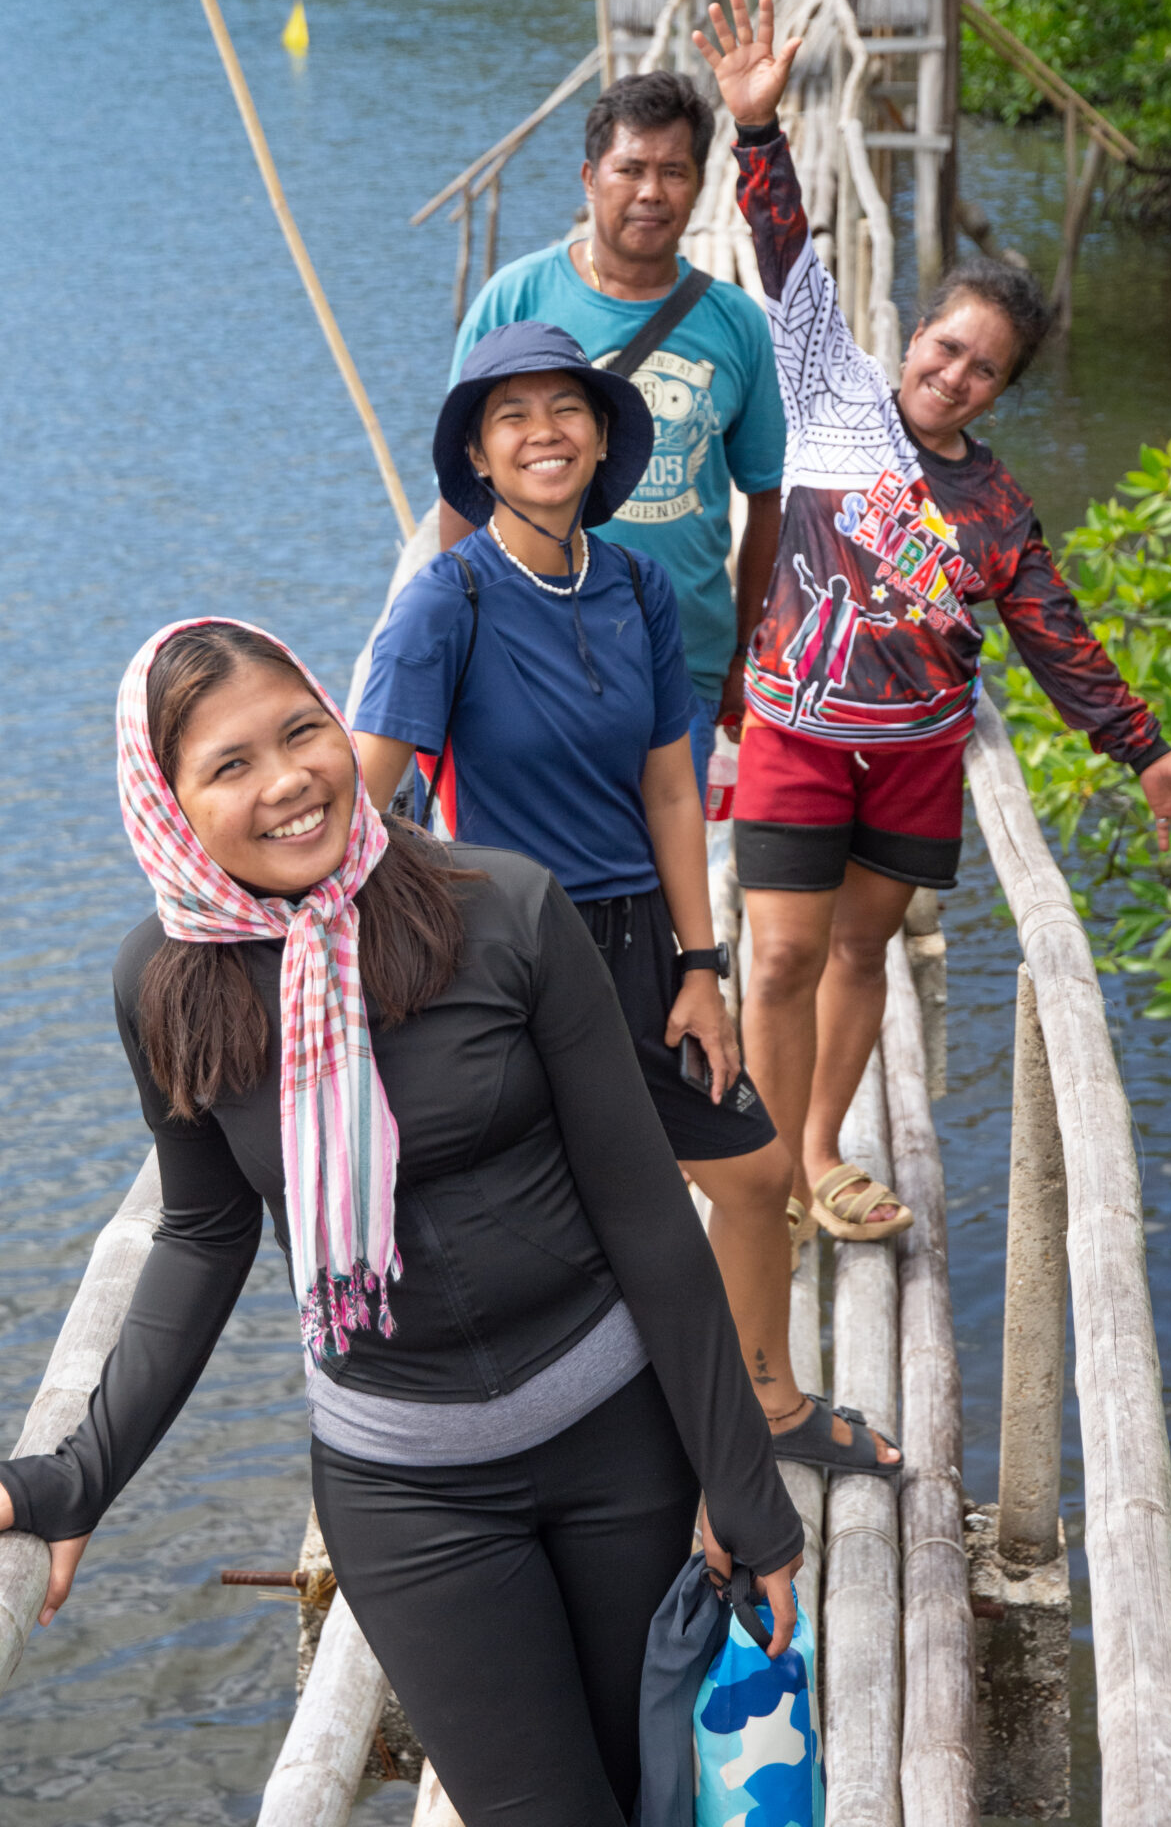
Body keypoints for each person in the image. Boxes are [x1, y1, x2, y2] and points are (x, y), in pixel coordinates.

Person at [0, 618, 805, 1827]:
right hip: (411, 1493)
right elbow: (201, 1234)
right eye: (229, 764)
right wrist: (76, 1474)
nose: (289, 779)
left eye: (304, 731)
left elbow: (646, 1209)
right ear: (166, 800)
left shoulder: (501, 905)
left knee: (658, 1782)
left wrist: (744, 1481)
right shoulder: (164, 982)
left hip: (620, 1444)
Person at [693, 0, 1171, 1242]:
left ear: (1003, 387)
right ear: (914, 333)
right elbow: (787, 254)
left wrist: (1146, 753)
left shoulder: (998, 504)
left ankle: (819, 1150)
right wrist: (759, 132)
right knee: (773, 956)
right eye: (943, 346)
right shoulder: (835, 396)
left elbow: (1059, 639)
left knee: (858, 956)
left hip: (918, 755)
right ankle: (764, 1164)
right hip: (800, 729)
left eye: (982, 367)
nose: (952, 373)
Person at [355, 321, 901, 1479]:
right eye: (511, 418)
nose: (542, 432)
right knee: (567, 1213)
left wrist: (703, 967)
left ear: (604, 440)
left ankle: (768, 1401)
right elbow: (361, 804)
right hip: (514, 953)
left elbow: (670, 784)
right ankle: (577, 1445)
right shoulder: (444, 601)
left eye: (566, 409)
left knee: (754, 1175)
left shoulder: (643, 588)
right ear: (483, 460)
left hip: (644, 938)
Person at [440, 69, 786, 791]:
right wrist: (463, 634)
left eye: (673, 171)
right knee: (533, 882)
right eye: (629, 169)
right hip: (530, 654)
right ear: (590, 177)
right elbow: (459, 479)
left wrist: (742, 653)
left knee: (659, 879)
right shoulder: (519, 297)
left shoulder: (736, 323)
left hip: (679, 663)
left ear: (699, 185)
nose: (651, 192)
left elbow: (766, 496)